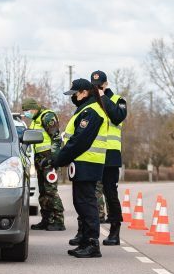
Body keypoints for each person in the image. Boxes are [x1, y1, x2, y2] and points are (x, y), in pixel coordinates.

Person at [53, 78, 109, 258]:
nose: (73, 97)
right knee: (81, 203)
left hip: (88, 162)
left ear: (84, 92)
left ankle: (92, 243)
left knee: (87, 204)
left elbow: (79, 141)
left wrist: (58, 160)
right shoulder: (85, 110)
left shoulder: (92, 112)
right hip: (82, 163)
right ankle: (85, 240)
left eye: (74, 94)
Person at [91, 70, 128, 245]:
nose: (97, 88)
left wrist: (103, 96)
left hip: (110, 155)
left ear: (105, 84)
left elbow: (117, 116)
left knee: (110, 192)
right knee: (88, 193)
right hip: (93, 154)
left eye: (100, 85)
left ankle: (114, 230)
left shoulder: (117, 100)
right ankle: (86, 231)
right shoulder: (92, 102)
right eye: (94, 86)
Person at [21, 97, 65, 231]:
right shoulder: (35, 120)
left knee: (51, 191)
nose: (26, 113)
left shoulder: (47, 117)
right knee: (43, 191)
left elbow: (56, 139)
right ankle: (46, 220)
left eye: (27, 110)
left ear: (33, 108)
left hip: (48, 159)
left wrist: (53, 158)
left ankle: (58, 221)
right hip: (40, 159)